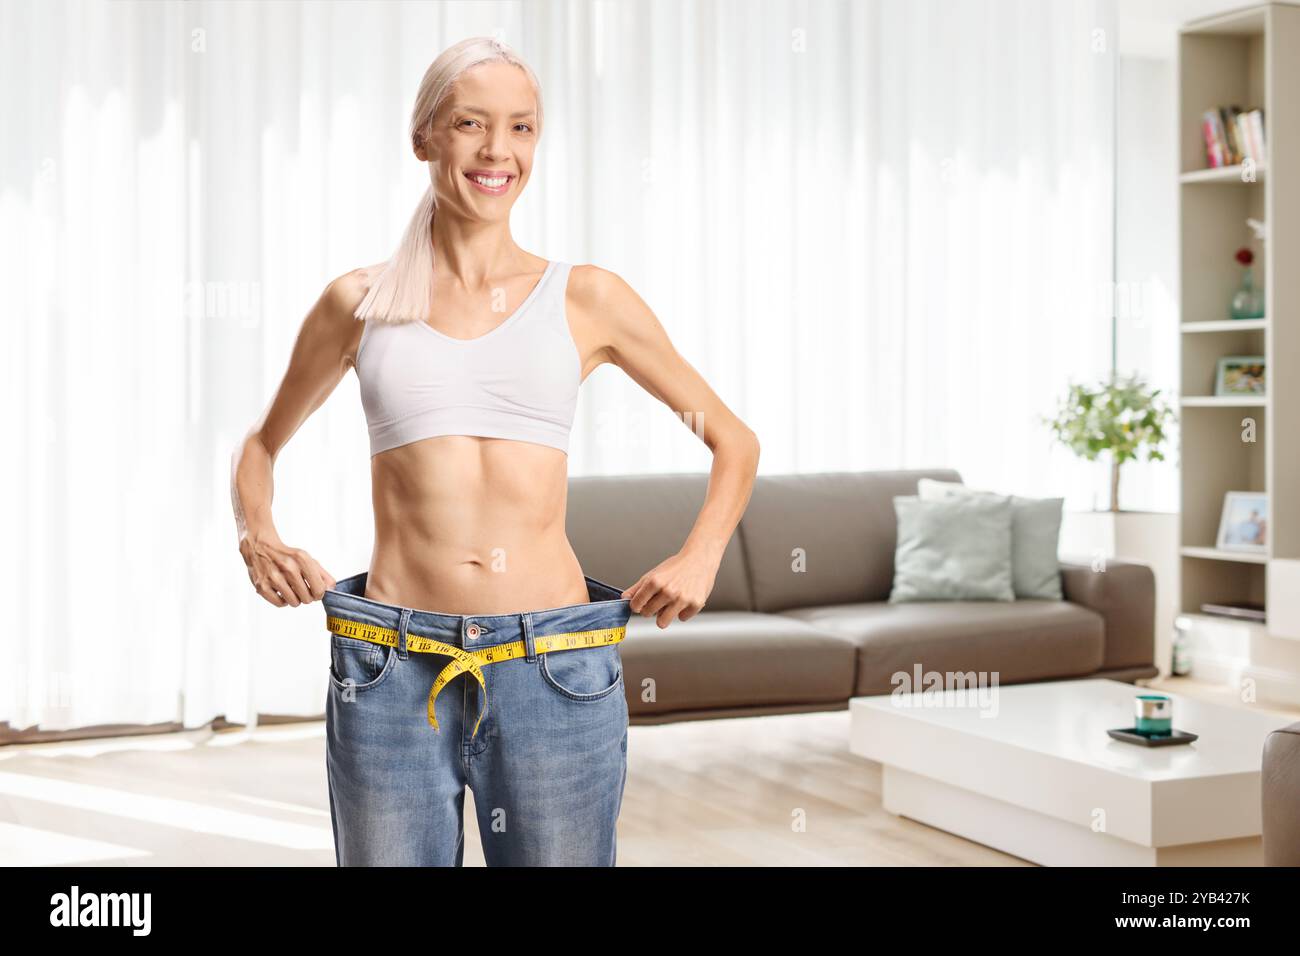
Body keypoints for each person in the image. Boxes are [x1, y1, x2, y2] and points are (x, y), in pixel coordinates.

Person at [230, 35, 759, 866]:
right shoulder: (359, 303)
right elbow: (261, 444)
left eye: (521, 129)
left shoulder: (587, 298)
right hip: (390, 668)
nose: (497, 151)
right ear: (425, 137)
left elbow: (733, 439)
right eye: (472, 124)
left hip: (554, 667)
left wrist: (701, 554)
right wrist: (256, 531)